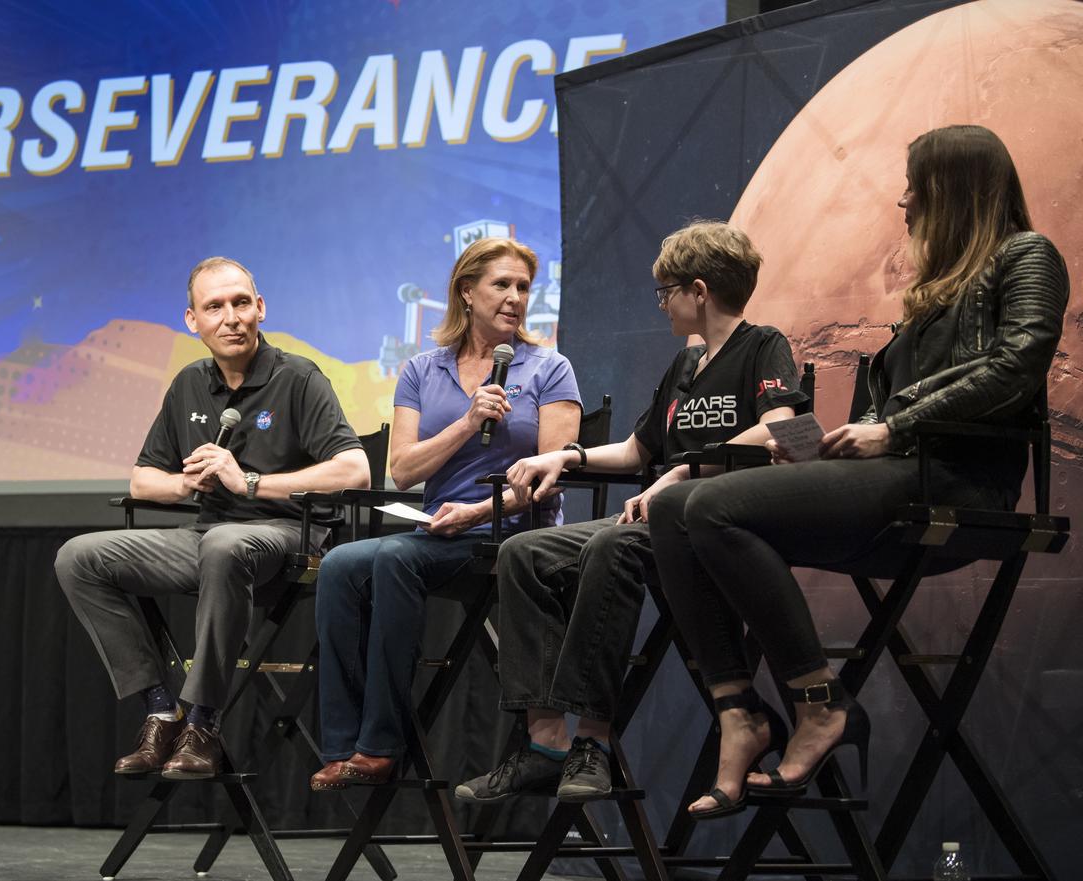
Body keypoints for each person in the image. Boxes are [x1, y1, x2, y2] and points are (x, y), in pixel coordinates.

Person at [648, 125, 1069, 820]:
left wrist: (893, 429)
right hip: (898, 473)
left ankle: (817, 704)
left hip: (955, 480)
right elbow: (880, 414)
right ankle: (738, 712)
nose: (904, 200)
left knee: (710, 507)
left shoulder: (1026, 256)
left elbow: (1015, 367)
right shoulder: (932, 295)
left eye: (916, 184)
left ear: (953, 188)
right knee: (674, 508)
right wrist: (810, 453)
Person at [453, 221, 807, 804]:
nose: (663, 304)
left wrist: (681, 473)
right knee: (524, 553)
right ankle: (546, 744)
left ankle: (592, 738)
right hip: (660, 520)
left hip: (715, 525)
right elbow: (636, 450)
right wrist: (563, 456)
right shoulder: (685, 366)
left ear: (699, 291)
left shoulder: (760, 345)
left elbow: (778, 428)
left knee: (609, 547)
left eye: (666, 291)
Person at [55, 257, 370, 779]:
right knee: (80, 558)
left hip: (289, 535)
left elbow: (354, 470)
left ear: (260, 308)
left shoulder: (297, 377)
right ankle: (160, 708)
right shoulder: (188, 383)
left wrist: (246, 481)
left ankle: (204, 722)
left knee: (225, 544)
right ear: (192, 321)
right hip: (206, 536)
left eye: (241, 303)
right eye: (215, 307)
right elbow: (142, 481)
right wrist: (186, 483)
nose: (231, 318)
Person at [310, 237, 583, 790]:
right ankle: (341, 746)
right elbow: (403, 472)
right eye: (500, 285)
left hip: (511, 533)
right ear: (466, 291)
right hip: (438, 530)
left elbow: (548, 479)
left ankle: (381, 745)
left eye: (523, 287)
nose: (514, 298)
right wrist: (466, 421)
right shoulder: (421, 369)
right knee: (339, 564)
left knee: (392, 558)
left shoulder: (549, 369)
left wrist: (478, 510)